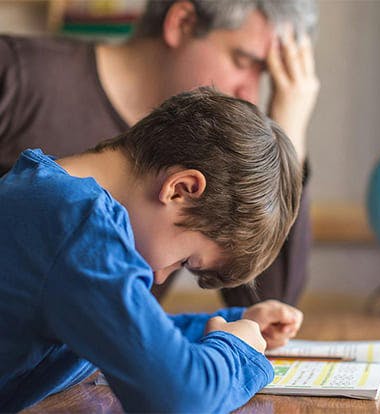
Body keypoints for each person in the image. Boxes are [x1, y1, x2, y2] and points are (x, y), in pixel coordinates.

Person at [0, 88, 303, 412]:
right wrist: (236, 350)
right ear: (181, 190)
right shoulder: (77, 224)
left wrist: (231, 322)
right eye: (184, 261)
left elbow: (129, 333)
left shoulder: (48, 198)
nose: (159, 277)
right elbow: (179, 400)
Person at [0, 0, 319, 307]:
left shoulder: (206, 154)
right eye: (243, 61)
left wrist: (288, 133)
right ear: (181, 22)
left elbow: (264, 304)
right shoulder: (15, 73)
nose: (249, 93)